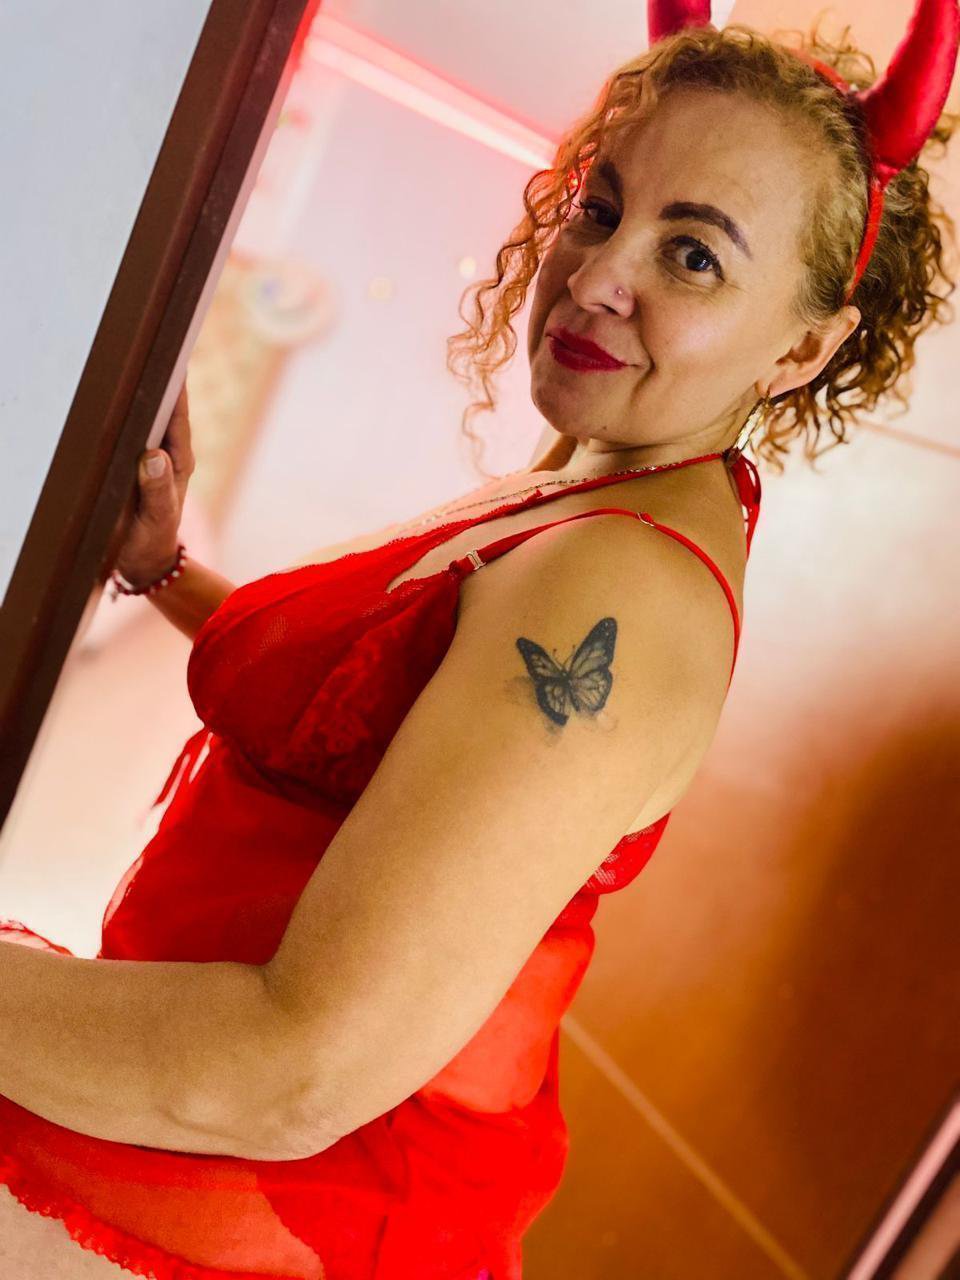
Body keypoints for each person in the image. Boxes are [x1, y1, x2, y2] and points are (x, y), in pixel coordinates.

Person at [0, 4, 957, 1278]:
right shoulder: (599, 490)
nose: (598, 274)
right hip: (214, 1148)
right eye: (603, 207)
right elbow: (372, 714)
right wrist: (164, 568)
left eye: (693, 255)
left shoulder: (620, 585)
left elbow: (295, 1070)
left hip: (265, 1206)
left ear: (803, 347)